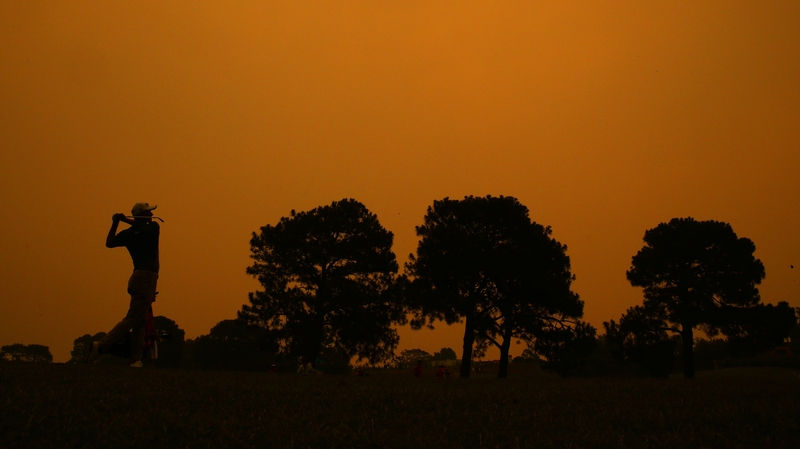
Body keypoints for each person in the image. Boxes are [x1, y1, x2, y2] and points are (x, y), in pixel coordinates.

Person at [87, 202, 160, 368]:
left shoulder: (129, 233)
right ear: (141, 215)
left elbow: (110, 242)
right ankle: (102, 346)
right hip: (146, 278)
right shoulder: (153, 228)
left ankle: (135, 360)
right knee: (134, 318)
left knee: (141, 321)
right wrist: (126, 220)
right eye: (147, 212)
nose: (151, 215)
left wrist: (117, 222)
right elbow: (140, 227)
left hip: (138, 277)